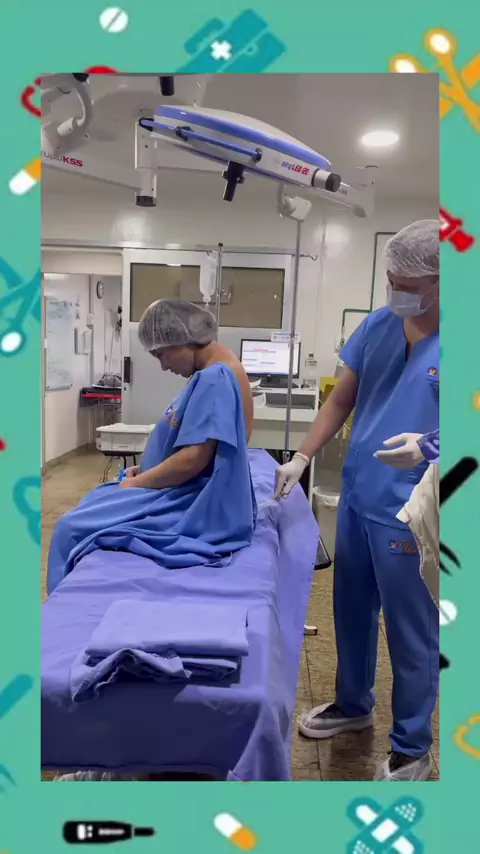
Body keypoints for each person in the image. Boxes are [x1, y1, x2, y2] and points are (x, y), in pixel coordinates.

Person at [274, 219, 440, 781]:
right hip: (360, 494)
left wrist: (431, 444)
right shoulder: (378, 324)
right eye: (391, 280)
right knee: (350, 608)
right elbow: (339, 400)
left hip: (412, 509)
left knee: (411, 630)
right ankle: (353, 704)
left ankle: (412, 747)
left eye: (407, 283)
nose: (395, 291)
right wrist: (301, 458)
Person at [47, 299, 256, 595]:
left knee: (70, 527)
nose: (164, 366)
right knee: (95, 499)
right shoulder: (218, 369)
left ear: (183, 338)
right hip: (177, 486)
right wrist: (146, 471)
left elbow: (192, 460)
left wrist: (139, 483)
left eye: (161, 354)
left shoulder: (214, 379)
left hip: (189, 499)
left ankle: (63, 614)